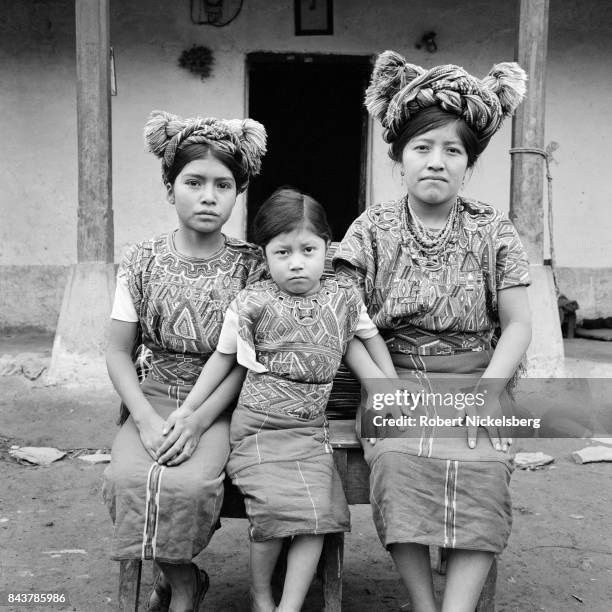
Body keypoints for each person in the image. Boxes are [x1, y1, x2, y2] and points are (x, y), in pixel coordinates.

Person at [333, 51, 533, 612]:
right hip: (394, 377)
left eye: (453, 150)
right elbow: (344, 318)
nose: (436, 161)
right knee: (397, 463)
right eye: (422, 148)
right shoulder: (371, 228)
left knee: (486, 467)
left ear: (468, 162)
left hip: (476, 378)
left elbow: (518, 325)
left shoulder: (492, 227)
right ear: (399, 157)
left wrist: (490, 395)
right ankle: (424, 603)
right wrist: (378, 388)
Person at [167, 188, 393, 612]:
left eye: (308, 249)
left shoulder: (342, 297)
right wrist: (188, 409)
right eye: (282, 251)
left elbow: (366, 339)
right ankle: (262, 595)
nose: (296, 262)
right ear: (264, 254)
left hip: (309, 432)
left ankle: (289, 606)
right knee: (271, 517)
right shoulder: (253, 301)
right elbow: (223, 357)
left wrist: (390, 390)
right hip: (259, 428)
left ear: (327, 246)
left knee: (316, 517)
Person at [103, 109, 267, 612]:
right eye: (193, 181)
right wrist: (147, 420)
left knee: (193, 482)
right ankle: (182, 580)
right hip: (153, 394)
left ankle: (178, 587)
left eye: (223, 184)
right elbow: (116, 350)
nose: (208, 195)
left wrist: (196, 420)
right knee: (125, 480)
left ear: (238, 193)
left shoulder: (251, 265)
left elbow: (243, 362)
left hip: (220, 403)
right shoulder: (143, 260)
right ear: (170, 188)